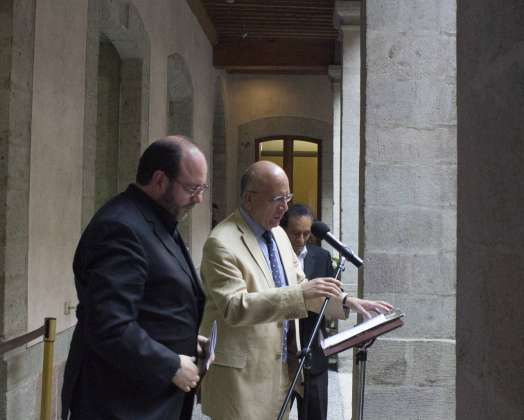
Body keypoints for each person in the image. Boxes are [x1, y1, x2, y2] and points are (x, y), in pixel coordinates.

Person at [199, 160, 392, 420]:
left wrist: (347, 302)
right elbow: (234, 307)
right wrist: (300, 294)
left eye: (287, 197)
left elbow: (301, 287)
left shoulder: (278, 234)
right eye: (277, 198)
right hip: (241, 382)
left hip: (280, 375)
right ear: (249, 199)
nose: (285, 207)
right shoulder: (221, 243)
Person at [61, 136, 209, 420]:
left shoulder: (156, 217)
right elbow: (109, 325)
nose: (199, 198)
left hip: (148, 397)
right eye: (192, 188)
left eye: (202, 188)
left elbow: (153, 299)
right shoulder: (120, 227)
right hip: (121, 402)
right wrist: (170, 364)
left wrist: (187, 338)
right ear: (160, 180)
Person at [281, 204, 335, 420]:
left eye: (306, 233)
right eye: (295, 233)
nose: (301, 240)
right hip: (281, 355)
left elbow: (332, 302)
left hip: (313, 352)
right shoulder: (274, 257)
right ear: (284, 230)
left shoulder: (322, 257)